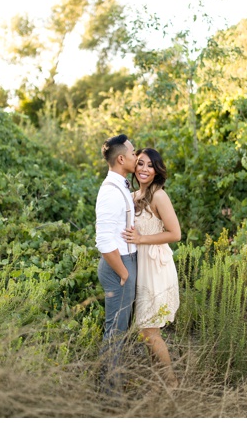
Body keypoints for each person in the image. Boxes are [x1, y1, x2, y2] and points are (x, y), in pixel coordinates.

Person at [122, 148, 180, 387]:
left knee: (149, 331)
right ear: (135, 167)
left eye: (150, 165)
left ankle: (171, 382)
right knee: (146, 329)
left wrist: (141, 239)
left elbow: (175, 234)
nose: (144, 169)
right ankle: (160, 383)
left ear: (157, 170)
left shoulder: (159, 196)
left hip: (156, 267)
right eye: (141, 164)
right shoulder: (133, 195)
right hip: (140, 266)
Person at [95, 133, 137, 392]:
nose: (136, 156)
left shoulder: (120, 184)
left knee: (119, 328)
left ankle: (112, 385)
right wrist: (124, 273)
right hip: (117, 265)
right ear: (121, 159)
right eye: (133, 154)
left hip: (124, 261)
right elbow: (103, 241)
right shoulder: (110, 192)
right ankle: (108, 392)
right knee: (115, 331)